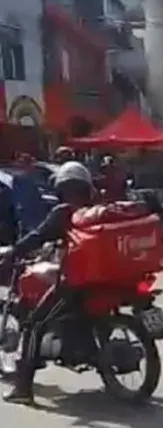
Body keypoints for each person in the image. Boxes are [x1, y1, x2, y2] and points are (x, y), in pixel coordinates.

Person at [0, 161, 94, 405]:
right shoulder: (95, 209)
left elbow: (38, 235)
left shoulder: (63, 212)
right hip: (103, 279)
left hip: (75, 282)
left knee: (33, 324)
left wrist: (13, 250)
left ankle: (23, 389)